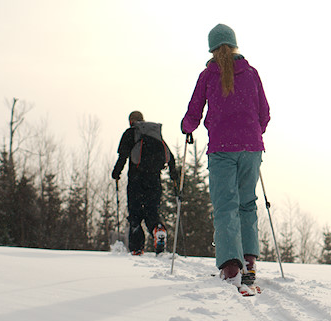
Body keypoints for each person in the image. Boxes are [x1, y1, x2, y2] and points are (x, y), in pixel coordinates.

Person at [181, 24, 270, 296]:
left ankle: (232, 265)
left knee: (225, 205)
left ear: (212, 48)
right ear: (234, 45)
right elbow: (264, 112)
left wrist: (187, 128)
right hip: (251, 147)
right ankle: (249, 260)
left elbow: (194, 112)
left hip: (222, 149)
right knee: (247, 203)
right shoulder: (251, 73)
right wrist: (253, 132)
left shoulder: (208, 75)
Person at [112, 111, 179, 255]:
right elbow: (170, 158)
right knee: (152, 211)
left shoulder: (130, 133)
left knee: (135, 213)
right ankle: (158, 229)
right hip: (154, 179)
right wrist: (174, 176)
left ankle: (137, 248)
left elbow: (122, 156)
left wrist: (116, 173)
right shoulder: (155, 135)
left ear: (131, 121)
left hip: (136, 179)